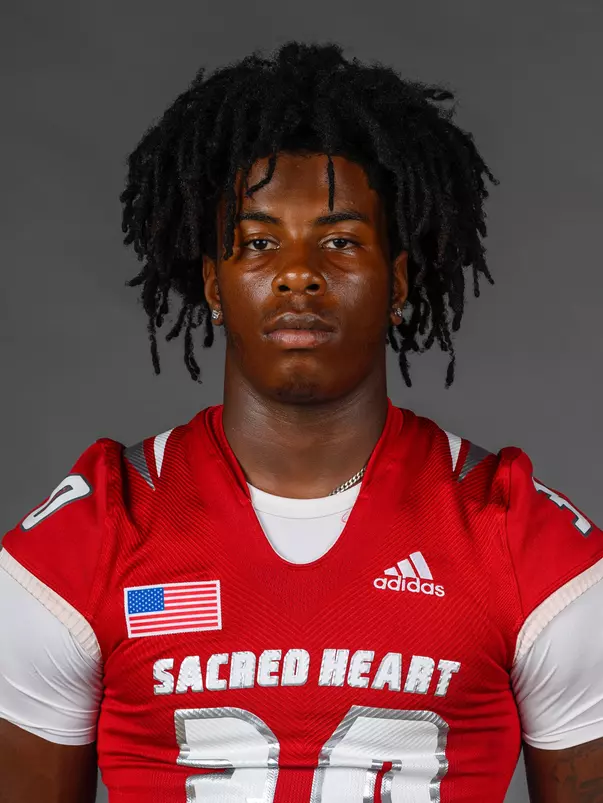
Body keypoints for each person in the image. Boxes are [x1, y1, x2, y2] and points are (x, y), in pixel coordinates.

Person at [0, 41, 601, 803]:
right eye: (257, 243)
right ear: (213, 284)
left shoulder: (523, 542)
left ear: (398, 282)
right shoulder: (89, 536)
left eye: (341, 241)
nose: (298, 271)